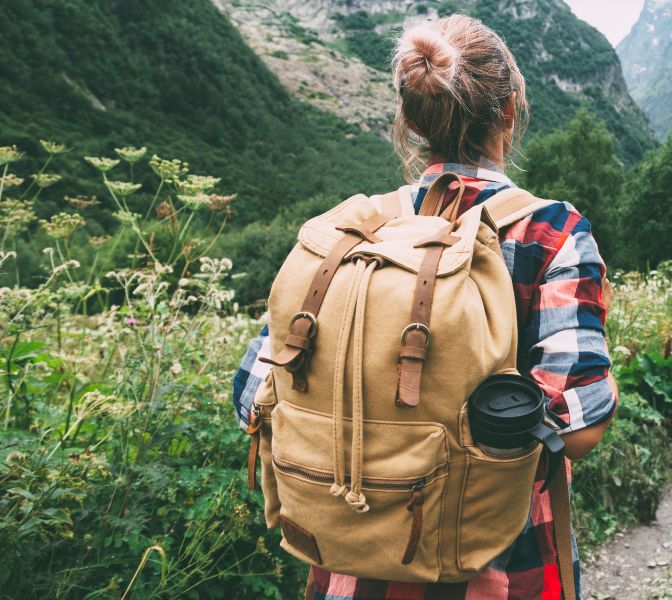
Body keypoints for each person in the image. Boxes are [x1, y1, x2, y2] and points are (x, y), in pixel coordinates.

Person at [230, 14, 616, 600]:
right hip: (501, 568)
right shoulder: (550, 233)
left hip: (348, 569)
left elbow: (251, 399)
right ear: (509, 111)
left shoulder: (353, 234)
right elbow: (581, 424)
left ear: (408, 120)